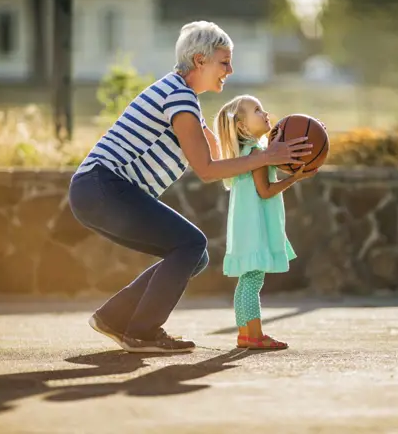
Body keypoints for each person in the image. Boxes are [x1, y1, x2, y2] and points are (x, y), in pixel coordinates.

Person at [68, 21, 313, 353]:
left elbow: (224, 158)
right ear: (200, 61)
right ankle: (141, 332)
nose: (230, 69)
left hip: (96, 190)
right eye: (223, 62)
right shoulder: (179, 97)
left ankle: (114, 318)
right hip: (104, 186)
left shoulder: (181, 97)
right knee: (190, 243)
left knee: (193, 255)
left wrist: (273, 157)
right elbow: (208, 170)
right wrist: (267, 156)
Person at [214, 95, 317, 350]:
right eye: (257, 110)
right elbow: (266, 191)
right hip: (254, 226)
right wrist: (295, 178)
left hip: (244, 226)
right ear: (242, 127)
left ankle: (244, 333)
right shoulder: (257, 154)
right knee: (253, 281)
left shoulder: (247, 154)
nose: (265, 112)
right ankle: (256, 335)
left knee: (246, 280)